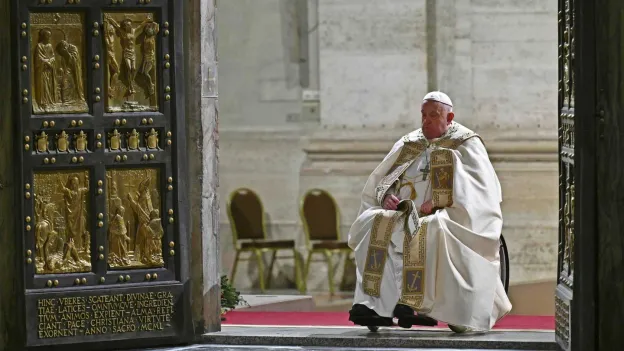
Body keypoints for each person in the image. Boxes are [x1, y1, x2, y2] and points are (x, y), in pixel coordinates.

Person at [348, 91, 512, 333]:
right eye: (423, 115)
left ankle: (414, 305)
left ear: (450, 116)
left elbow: (480, 190)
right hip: (402, 213)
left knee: (430, 227)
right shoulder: (410, 142)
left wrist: (439, 201)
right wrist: (386, 196)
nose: (425, 121)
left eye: (433, 116)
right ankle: (377, 307)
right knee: (373, 221)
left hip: (447, 215)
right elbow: (383, 179)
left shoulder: (466, 142)